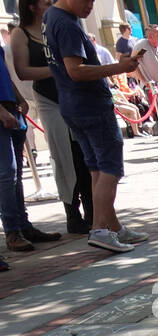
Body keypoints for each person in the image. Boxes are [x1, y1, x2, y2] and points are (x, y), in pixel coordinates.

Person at [43, 0, 147, 253]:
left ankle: (112, 227)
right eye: (86, 0)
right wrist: (119, 68)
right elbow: (75, 71)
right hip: (89, 105)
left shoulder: (52, 17)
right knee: (109, 167)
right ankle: (100, 229)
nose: (90, 5)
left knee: (97, 168)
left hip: (73, 105)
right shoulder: (65, 23)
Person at [11, 0, 92, 234]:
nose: (52, 5)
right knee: (64, 157)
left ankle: (93, 211)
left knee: (84, 155)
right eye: (47, 2)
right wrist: (60, 69)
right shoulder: (21, 33)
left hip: (74, 95)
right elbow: (22, 71)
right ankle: (73, 214)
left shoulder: (62, 23)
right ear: (32, 7)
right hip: (49, 99)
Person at [0, 40, 60, 265]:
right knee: (7, 173)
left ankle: (22, 225)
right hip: (3, 111)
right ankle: (12, 231)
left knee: (14, 175)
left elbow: (3, 73)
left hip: (10, 106)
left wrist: (18, 98)